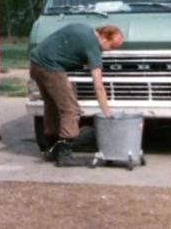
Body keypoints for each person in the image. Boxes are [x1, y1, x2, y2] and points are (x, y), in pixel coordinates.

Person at [29, 23, 124, 166]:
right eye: (112, 47)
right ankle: (64, 154)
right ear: (104, 37)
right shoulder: (92, 46)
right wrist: (107, 113)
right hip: (50, 67)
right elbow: (98, 86)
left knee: (53, 106)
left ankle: (50, 149)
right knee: (71, 109)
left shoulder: (83, 28)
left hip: (36, 62)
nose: (110, 51)